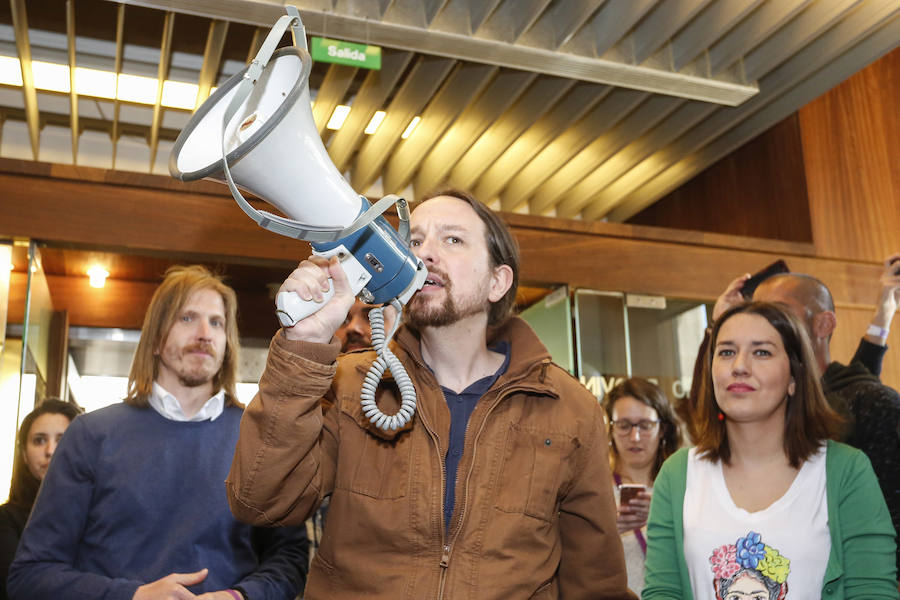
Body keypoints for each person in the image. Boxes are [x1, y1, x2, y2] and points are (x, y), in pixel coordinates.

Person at [226, 189, 635, 599]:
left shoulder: (569, 408)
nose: (425, 254)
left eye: (452, 239)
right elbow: (260, 501)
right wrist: (304, 344)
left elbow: (596, 582)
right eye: (414, 241)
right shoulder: (348, 384)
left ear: (498, 281)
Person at [8, 265, 308, 600]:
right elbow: (32, 574)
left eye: (216, 322)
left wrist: (241, 596)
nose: (204, 333)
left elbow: (290, 560)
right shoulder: (90, 435)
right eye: (187, 318)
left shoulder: (262, 437)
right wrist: (132, 596)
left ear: (227, 343)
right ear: (154, 339)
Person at [643, 301, 898, 599]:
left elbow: (872, 592)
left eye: (761, 352)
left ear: (794, 377)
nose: (739, 366)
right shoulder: (678, 474)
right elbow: (662, 592)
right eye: (726, 352)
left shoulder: (846, 470)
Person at [602, 378, 682, 595]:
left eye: (645, 426)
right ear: (610, 428)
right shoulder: (594, 492)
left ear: (663, 429)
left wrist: (664, 519)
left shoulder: (683, 488)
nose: (634, 437)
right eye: (624, 426)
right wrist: (607, 532)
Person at [0, 399, 81, 600]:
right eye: (39, 440)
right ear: (24, 455)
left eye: (62, 440)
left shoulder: (99, 516)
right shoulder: (5, 519)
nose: (50, 451)